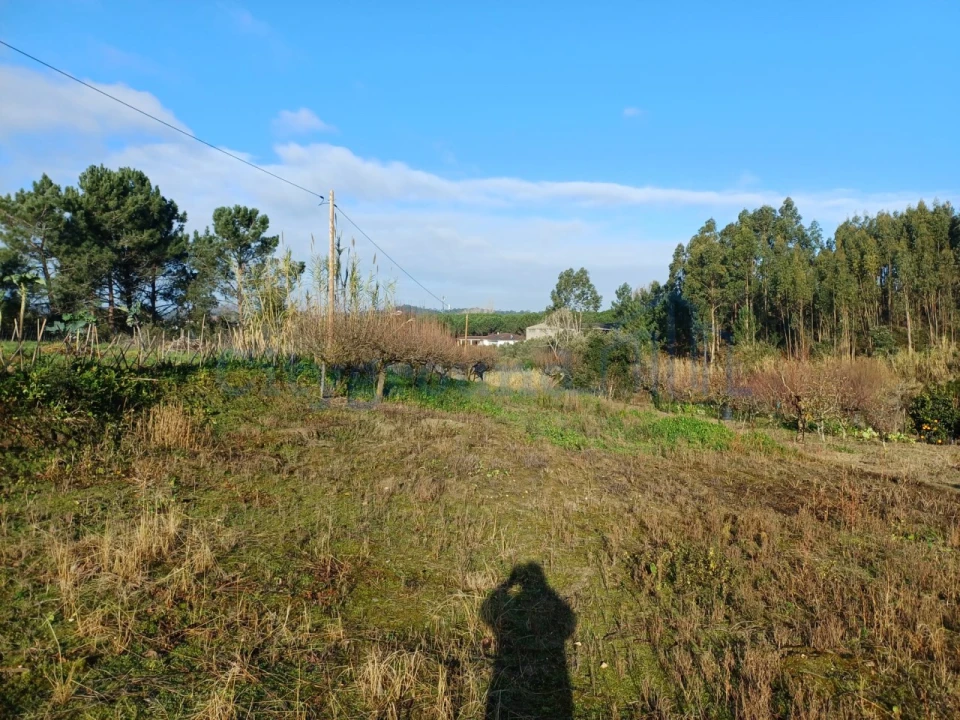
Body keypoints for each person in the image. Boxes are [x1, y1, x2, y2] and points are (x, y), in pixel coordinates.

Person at [481, 562, 576, 719]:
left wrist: (506, 586)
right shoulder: (555, 602)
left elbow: (487, 610)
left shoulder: (548, 603)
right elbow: (569, 623)